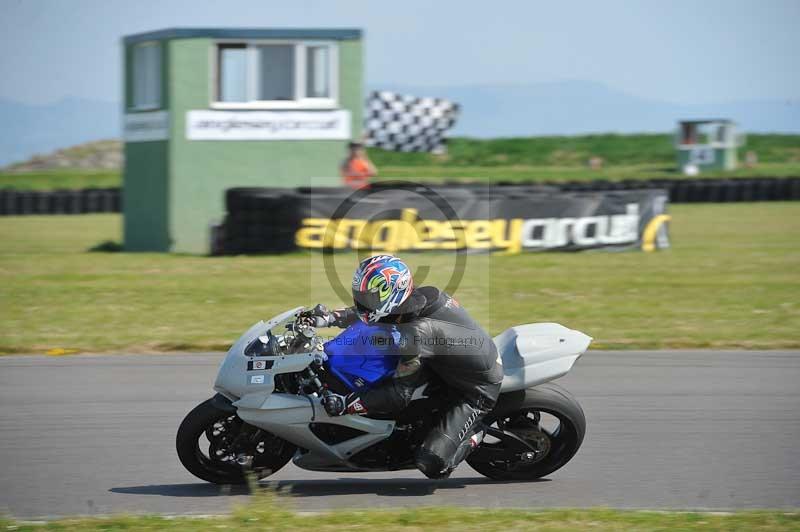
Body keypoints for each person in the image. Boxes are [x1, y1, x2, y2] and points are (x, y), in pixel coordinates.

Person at [299, 255, 503, 479]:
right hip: (447, 364)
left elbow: (399, 395)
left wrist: (346, 405)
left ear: (392, 295)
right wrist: (330, 317)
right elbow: (373, 315)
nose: (361, 300)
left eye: (368, 297)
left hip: (475, 390)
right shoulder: (419, 298)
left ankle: (477, 432)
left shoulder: (415, 335)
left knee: (432, 463)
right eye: (361, 295)